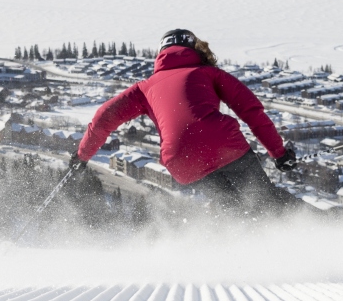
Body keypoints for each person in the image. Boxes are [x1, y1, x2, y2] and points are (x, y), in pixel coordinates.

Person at [73, 29, 301, 215]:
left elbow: (103, 118)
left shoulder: (144, 88)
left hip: (183, 161)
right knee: (267, 202)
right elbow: (251, 111)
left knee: (234, 212)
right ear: (195, 50)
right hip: (224, 145)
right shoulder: (209, 73)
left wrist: (81, 157)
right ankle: (327, 226)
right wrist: (279, 154)